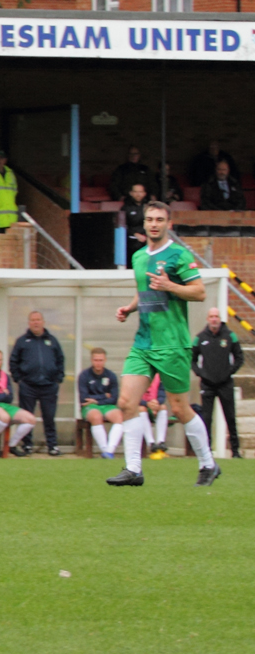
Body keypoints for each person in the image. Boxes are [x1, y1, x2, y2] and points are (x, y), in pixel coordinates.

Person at [106, 201, 219, 487]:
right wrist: (130, 307)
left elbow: (199, 292)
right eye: (149, 219)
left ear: (169, 224)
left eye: (159, 219)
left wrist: (171, 286)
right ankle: (134, 469)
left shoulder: (179, 255)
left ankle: (208, 463)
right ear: (144, 224)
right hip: (144, 342)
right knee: (126, 402)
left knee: (180, 409)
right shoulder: (138, 257)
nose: (154, 224)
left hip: (172, 345)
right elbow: (144, 290)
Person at [10, 311, 65, 456]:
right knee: (27, 417)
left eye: (38, 320)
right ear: (29, 323)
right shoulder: (22, 341)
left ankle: (52, 446)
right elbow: (13, 361)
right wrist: (18, 379)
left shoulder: (52, 340)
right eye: (33, 320)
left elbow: (60, 359)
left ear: (43, 322)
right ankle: (27, 445)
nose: (36, 322)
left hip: (49, 386)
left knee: (49, 417)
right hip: (28, 386)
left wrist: (58, 378)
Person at [192, 306, 244, 458]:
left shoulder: (230, 336)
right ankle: (206, 451)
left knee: (230, 417)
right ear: (207, 319)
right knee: (207, 418)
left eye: (216, 316)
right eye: (211, 316)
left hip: (225, 383)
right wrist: (201, 373)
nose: (214, 319)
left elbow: (239, 357)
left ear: (220, 319)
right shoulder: (200, 337)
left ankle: (235, 451)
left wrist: (229, 372)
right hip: (207, 384)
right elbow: (192, 359)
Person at [0, 349, 37, 456]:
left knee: (31, 419)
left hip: (4, 405)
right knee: (4, 417)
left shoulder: (5, 376)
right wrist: (3, 394)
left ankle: (11, 445)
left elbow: (10, 398)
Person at [78, 348, 124, 459]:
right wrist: (104, 396)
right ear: (91, 360)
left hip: (106, 405)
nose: (98, 363)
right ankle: (104, 449)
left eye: (101, 360)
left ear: (105, 360)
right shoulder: (84, 375)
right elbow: (84, 399)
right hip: (90, 406)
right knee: (96, 416)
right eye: (96, 360)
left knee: (119, 417)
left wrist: (97, 400)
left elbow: (114, 398)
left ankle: (109, 451)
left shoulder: (111, 375)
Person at [138, 373, 169, 459]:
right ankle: (151, 443)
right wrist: (147, 404)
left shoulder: (159, 377)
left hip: (154, 405)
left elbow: (162, 395)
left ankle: (161, 442)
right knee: (141, 409)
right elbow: (135, 398)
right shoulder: (138, 378)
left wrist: (156, 403)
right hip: (142, 407)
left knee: (163, 407)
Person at [121, 182, 151, 266]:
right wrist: (135, 234)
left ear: (144, 193)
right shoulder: (125, 208)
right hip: (132, 240)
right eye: (136, 192)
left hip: (148, 238)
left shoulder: (149, 207)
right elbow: (123, 226)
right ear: (131, 193)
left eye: (141, 192)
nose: (138, 194)